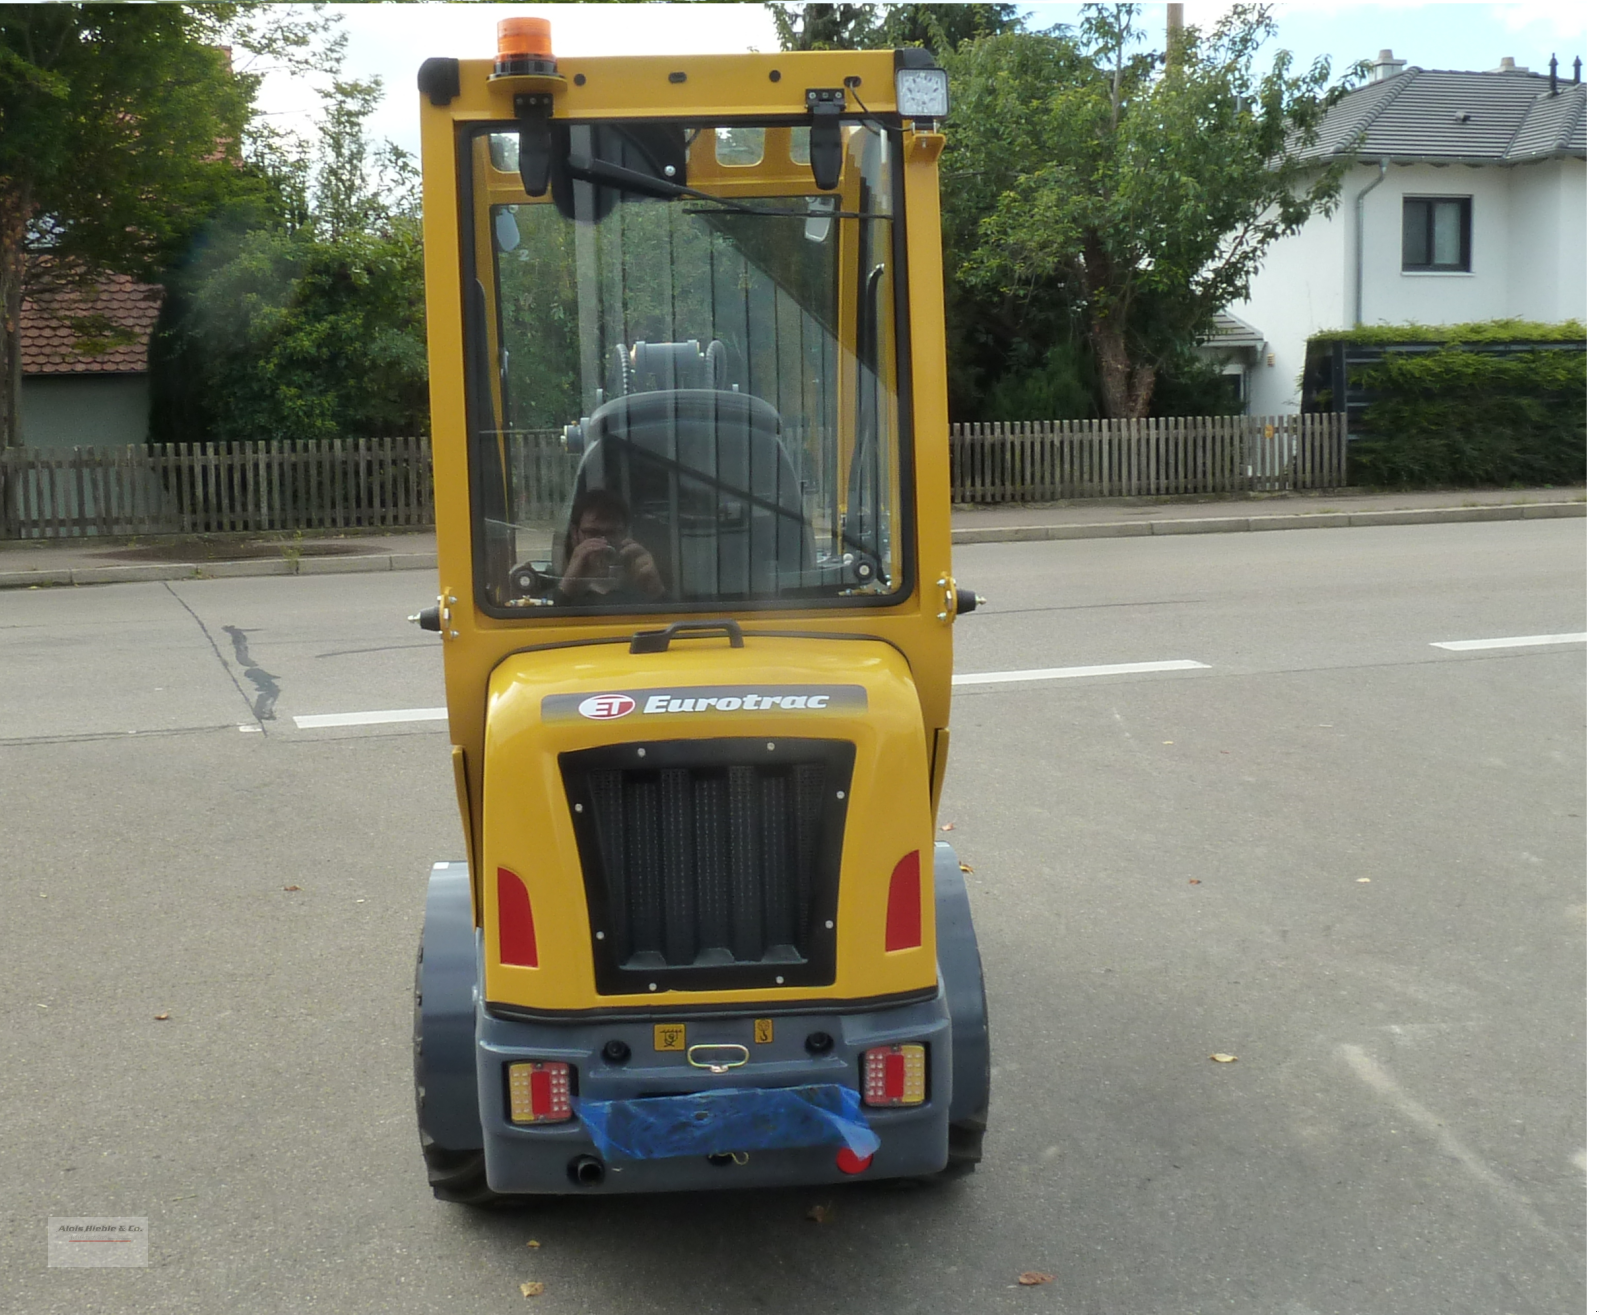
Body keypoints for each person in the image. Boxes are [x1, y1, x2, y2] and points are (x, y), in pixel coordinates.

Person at [551, 487, 666, 604]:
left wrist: (656, 591)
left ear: (625, 534)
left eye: (612, 533)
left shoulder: (642, 586)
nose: (604, 542)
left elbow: (676, 620)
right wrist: (566, 589)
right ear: (575, 534)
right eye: (592, 533)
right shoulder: (560, 590)